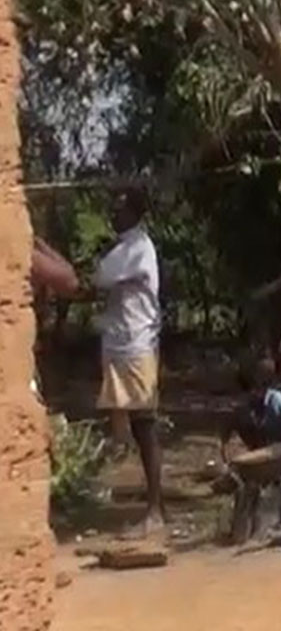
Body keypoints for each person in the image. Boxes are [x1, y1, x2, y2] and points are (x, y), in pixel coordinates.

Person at [93, 188, 164, 536]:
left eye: (119, 209)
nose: (113, 215)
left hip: (137, 346)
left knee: (145, 425)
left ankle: (156, 511)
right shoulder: (127, 249)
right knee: (135, 427)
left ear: (136, 213)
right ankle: (152, 507)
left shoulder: (135, 251)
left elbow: (98, 279)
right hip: (125, 346)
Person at [226, 358, 281, 454]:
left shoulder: (277, 400)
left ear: (260, 389)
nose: (251, 396)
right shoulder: (254, 406)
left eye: (254, 392)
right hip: (274, 446)